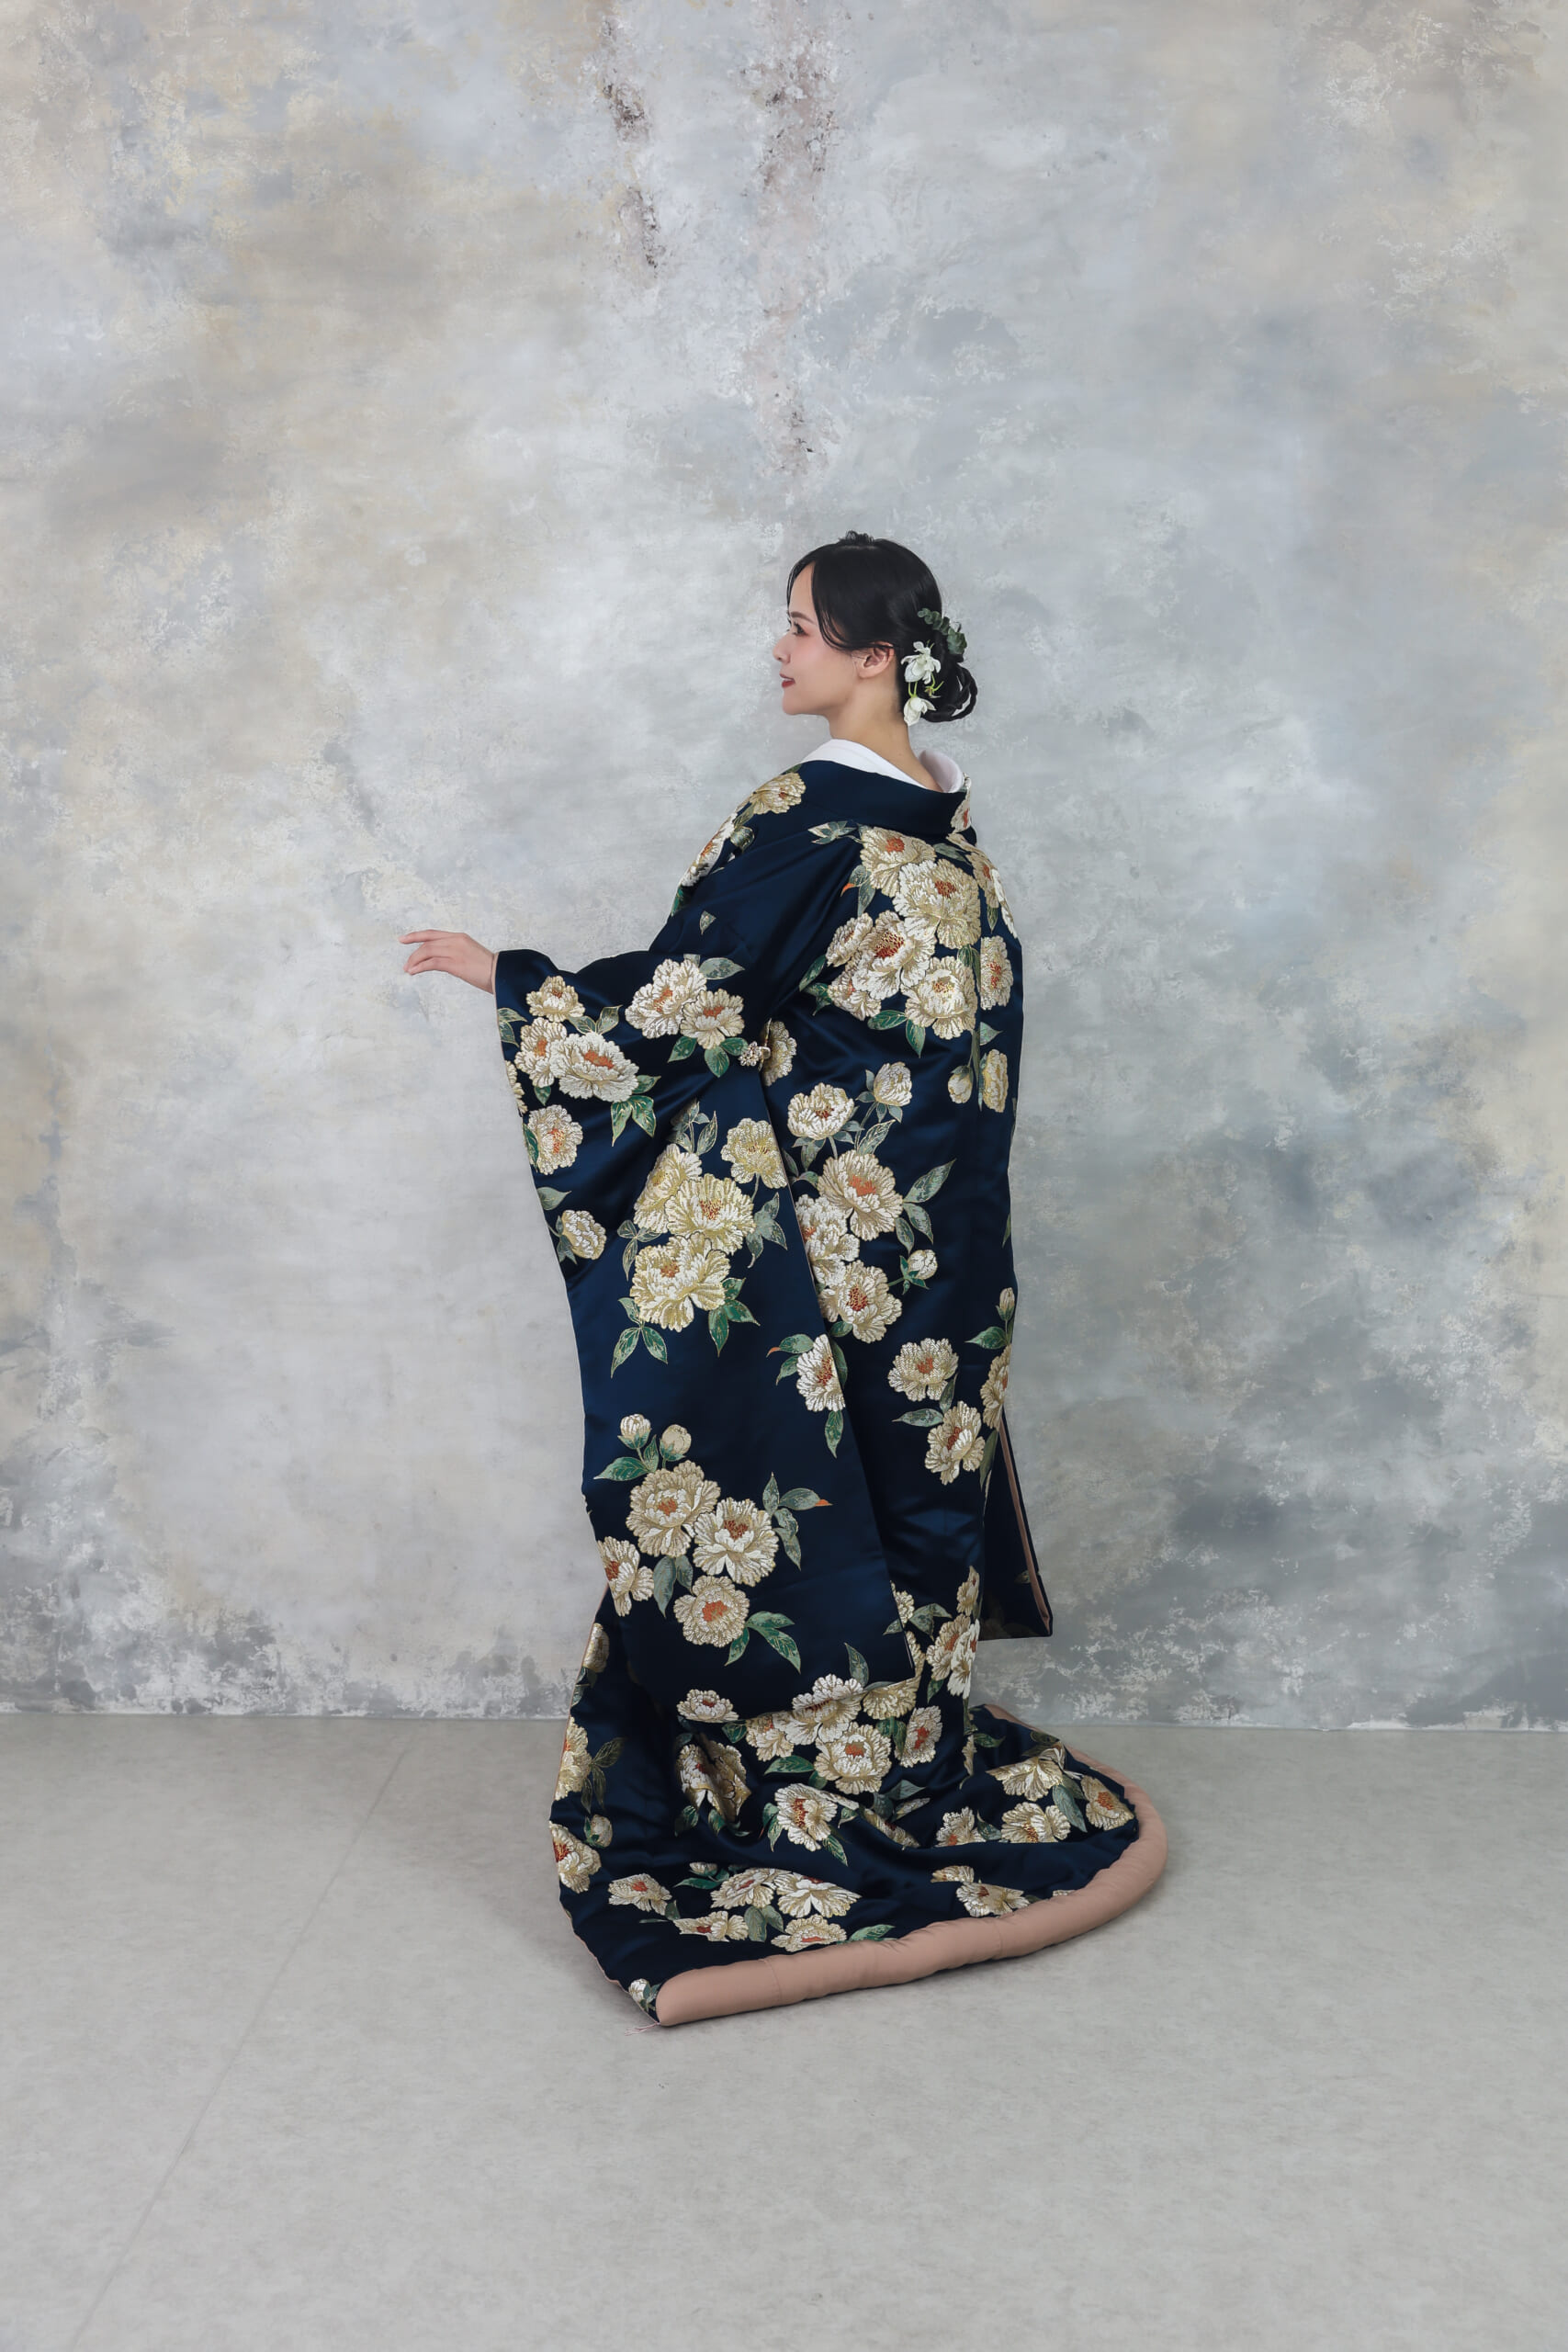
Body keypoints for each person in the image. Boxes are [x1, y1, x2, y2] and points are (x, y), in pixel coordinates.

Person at [401, 531, 1165, 2025]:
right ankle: (891, 1778)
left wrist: (515, 981)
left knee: (844, 1494)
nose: (779, 647)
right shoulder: (942, 825)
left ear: (877, 656)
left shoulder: (815, 817)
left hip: (844, 1248)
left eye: (803, 626)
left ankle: (820, 1799)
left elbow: (684, 1003)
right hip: (944, 1246)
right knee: (899, 1491)